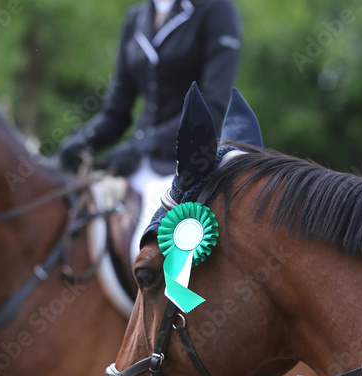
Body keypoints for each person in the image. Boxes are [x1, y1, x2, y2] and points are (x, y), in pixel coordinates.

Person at [58, 0, 242, 245]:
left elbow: (212, 107)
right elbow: (116, 113)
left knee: (144, 245)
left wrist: (142, 144)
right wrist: (82, 140)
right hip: (138, 165)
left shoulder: (215, 10)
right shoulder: (136, 18)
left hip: (187, 166)